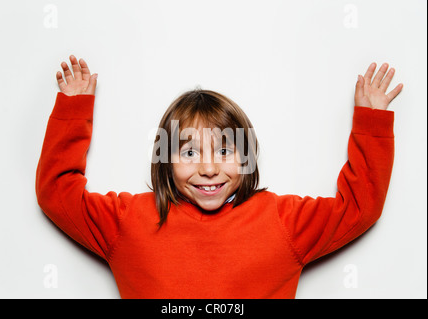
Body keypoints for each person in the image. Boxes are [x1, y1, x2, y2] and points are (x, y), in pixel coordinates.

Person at [36, 55, 403, 298]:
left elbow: (359, 207)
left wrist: (371, 123)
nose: (209, 168)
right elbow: (57, 194)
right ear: (164, 159)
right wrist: (73, 110)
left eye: (225, 151)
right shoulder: (128, 220)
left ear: (247, 157)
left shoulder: (282, 220)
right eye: (190, 152)